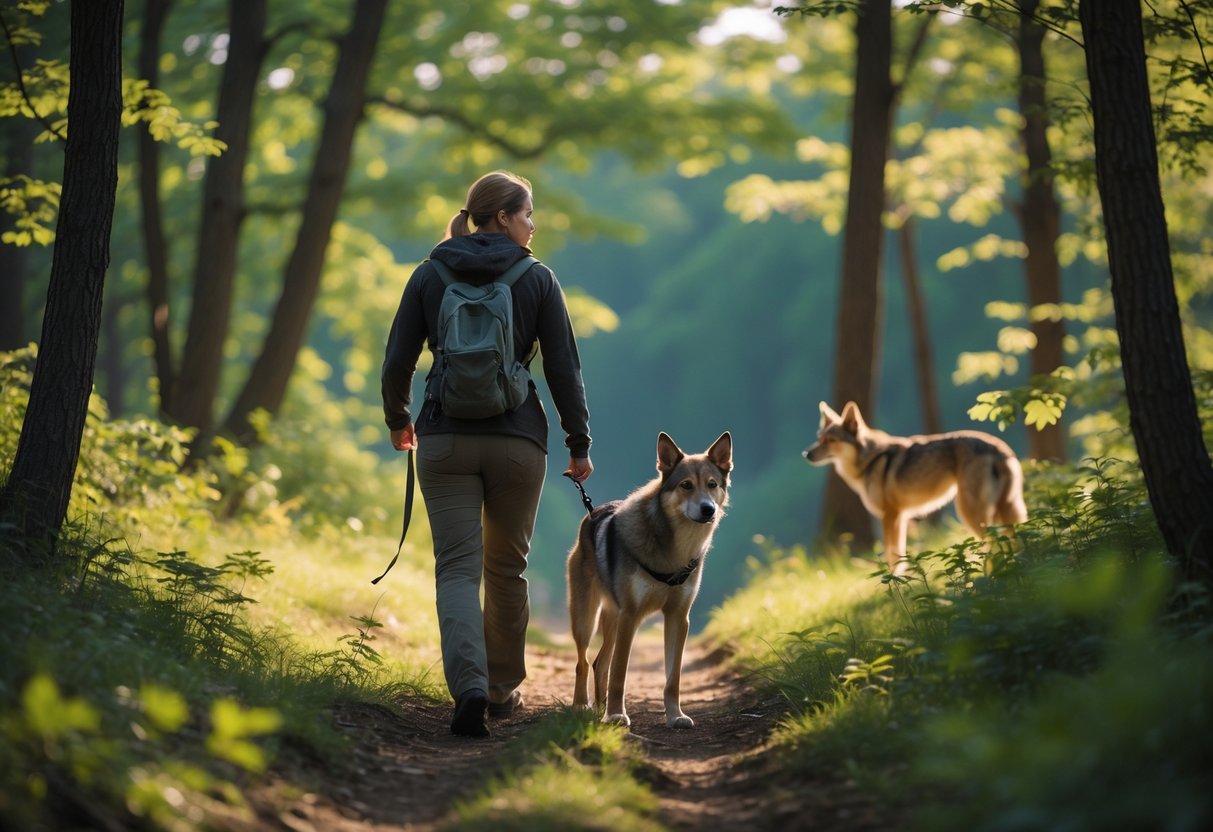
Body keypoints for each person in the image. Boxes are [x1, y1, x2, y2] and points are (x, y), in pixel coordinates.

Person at [381, 171, 593, 737]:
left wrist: (400, 419)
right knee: (506, 569)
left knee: (456, 568)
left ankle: (468, 688)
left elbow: (397, 361)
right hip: (517, 441)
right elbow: (564, 369)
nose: (533, 224)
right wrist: (579, 445)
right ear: (502, 217)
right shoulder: (538, 278)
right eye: (527, 214)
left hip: (444, 438)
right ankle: (501, 690)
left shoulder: (429, 274)